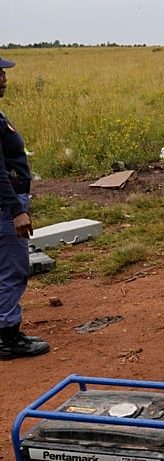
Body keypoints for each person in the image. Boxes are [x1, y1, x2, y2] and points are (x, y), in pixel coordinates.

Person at [0, 56, 50, 359]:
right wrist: (16, 210)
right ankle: (8, 337)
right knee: (13, 269)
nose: (4, 78)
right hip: (6, 207)